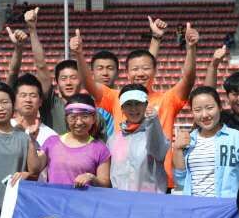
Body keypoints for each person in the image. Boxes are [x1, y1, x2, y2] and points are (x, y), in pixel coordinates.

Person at [75, 22, 198, 177]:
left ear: (155, 71)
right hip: (123, 180)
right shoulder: (116, 98)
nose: (140, 73)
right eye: (135, 69)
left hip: (159, 181)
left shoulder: (167, 100)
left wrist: (191, 49)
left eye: (146, 69)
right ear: (127, 73)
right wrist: (78, 54)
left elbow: (188, 80)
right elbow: (89, 83)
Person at [21, 8, 113, 138]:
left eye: (73, 77)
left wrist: (78, 53)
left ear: (81, 80)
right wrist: (32, 30)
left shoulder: (93, 112)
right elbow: (41, 66)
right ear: (56, 82)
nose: (68, 82)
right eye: (64, 78)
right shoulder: (51, 104)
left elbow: (102, 147)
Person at [171, 86, 239, 198]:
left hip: (227, 207)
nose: (204, 115)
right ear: (192, 112)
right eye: (198, 110)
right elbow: (181, 180)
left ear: (220, 107)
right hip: (194, 206)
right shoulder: (188, 141)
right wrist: (177, 149)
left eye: (209, 108)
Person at [108, 84, 170, 193]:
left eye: (138, 103)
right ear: (122, 108)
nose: (133, 109)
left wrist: (154, 122)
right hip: (120, 200)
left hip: (149, 200)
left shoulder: (154, 133)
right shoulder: (113, 139)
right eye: (128, 104)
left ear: (146, 105)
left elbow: (159, 153)